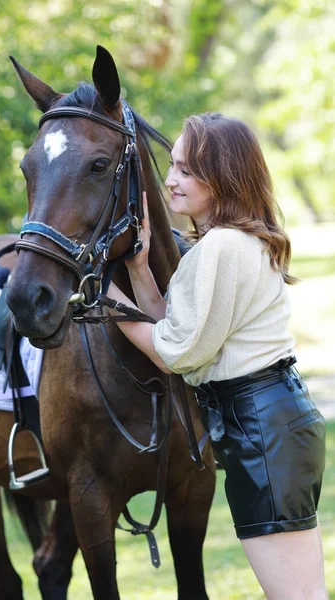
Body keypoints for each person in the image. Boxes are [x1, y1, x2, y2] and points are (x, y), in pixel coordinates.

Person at [107, 112, 327, 599]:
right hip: (274, 421)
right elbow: (179, 326)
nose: (170, 180)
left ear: (223, 174)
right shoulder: (230, 241)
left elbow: (173, 353)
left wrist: (111, 303)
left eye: (187, 170)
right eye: (173, 166)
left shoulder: (221, 247)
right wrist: (140, 272)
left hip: (262, 429)